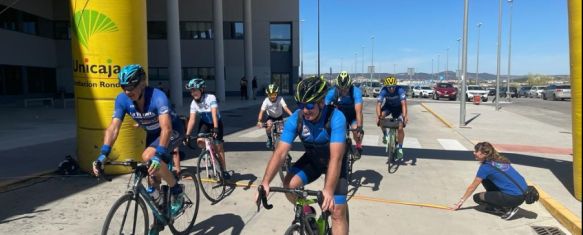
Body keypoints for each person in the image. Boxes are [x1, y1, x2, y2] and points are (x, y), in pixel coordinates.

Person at [91, 64, 185, 234]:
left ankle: (177, 190)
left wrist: (159, 155)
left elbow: (166, 129)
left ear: (142, 83)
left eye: (131, 86)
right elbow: (113, 128)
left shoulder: (158, 97)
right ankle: (159, 217)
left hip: (173, 130)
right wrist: (103, 155)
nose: (128, 91)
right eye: (124, 87)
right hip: (152, 135)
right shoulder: (122, 100)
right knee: (152, 179)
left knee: (148, 156)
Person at [256, 76, 349, 235]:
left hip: (335, 164)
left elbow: (336, 158)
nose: (305, 110)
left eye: (310, 105)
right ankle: (307, 210)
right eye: (301, 105)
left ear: (321, 102)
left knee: (337, 211)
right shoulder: (296, 118)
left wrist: (327, 190)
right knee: (288, 186)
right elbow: (280, 153)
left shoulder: (336, 117)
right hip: (313, 160)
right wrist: (265, 182)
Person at [450, 142, 527, 220]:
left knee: (477, 198)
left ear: (484, 154)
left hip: (513, 197)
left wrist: (460, 202)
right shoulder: (501, 160)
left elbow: (472, 187)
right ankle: (506, 203)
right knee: (485, 179)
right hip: (523, 194)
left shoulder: (486, 167)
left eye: (476, 151)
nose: (474, 152)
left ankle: (506, 209)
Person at [183, 77, 230, 179]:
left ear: (202, 89)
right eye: (191, 91)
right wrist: (187, 134)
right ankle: (209, 151)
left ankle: (224, 170)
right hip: (204, 123)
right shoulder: (193, 103)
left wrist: (216, 128)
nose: (193, 93)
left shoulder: (210, 97)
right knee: (200, 141)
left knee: (219, 147)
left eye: (195, 90)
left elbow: (213, 113)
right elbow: (192, 120)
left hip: (215, 122)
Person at [325, 71, 364, 159]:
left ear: (350, 85)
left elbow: (358, 112)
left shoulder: (356, 92)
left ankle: (358, 146)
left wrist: (359, 127)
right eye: (340, 88)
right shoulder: (333, 92)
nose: (343, 91)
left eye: (346, 88)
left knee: (356, 131)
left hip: (353, 115)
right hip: (340, 116)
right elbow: (324, 107)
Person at [375, 76, 408, 160]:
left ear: (396, 86)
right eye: (389, 87)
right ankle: (385, 135)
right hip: (388, 107)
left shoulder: (400, 90)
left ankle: (400, 148)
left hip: (398, 109)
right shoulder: (383, 90)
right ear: (386, 86)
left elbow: (404, 104)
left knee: (400, 127)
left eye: (393, 86)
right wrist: (378, 116)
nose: (392, 89)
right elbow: (378, 104)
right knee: (381, 118)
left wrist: (404, 116)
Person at [255, 83, 293, 149]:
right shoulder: (266, 101)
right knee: (269, 125)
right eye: (270, 95)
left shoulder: (280, 99)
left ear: (277, 94)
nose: (272, 97)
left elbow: (286, 108)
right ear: (267, 95)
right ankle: (269, 138)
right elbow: (261, 112)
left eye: (274, 95)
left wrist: (293, 116)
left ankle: (282, 143)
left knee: (282, 132)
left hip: (279, 117)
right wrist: (259, 121)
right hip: (270, 117)